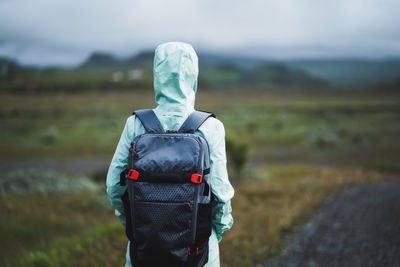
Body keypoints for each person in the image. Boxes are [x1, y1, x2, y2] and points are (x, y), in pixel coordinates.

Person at [106, 41, 234, 267]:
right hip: (199, 252)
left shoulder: (135, 125)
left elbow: (115, 186)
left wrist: (135, 224)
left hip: (143, 250)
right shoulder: (211, 127)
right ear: (193, 75)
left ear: (158, 75)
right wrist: (217, 230)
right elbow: (220, 193)